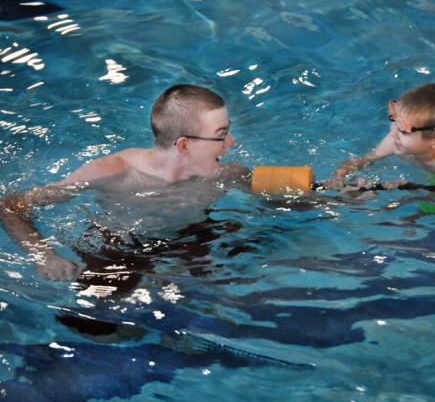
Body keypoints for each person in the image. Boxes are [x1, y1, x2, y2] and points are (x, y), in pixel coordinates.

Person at [0, 84, 250, 281]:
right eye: (221, 135)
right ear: (184, 145)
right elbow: (10, 205)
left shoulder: (227, 173)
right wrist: (46, 257)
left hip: (193, 233)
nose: (232, 143)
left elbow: (283, 197)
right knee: (99, 328)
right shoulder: (113, 171)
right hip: (121, 245)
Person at [323, 83, 435, 191]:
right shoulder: (394, 141)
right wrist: (338, 177)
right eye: (394, 121)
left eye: (403, 130)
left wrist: (412, 187)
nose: (393, 132)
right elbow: (360, 162)